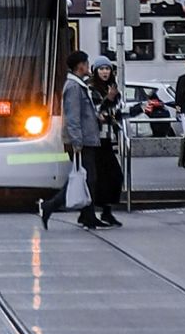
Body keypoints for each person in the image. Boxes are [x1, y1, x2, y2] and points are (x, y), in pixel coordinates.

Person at [38, 51, 102, 230]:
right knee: (85, 178)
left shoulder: (79, 85)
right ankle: (50, 205)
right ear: (80, 66)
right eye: (86, 63)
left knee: (84, 177)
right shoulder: (73, 87)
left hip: (85, 139)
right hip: (81, 141)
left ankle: (87, 215)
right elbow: (73, 116)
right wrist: (77, 141)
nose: (88, 66)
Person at [88, 61, 125, 227]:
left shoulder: (113, 90)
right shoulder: (91, 89)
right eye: (101, 69)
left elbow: (118, 113)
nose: (105, 72)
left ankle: (106, 210)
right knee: (102, 176)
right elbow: (96, 112)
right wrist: (108, 100)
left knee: (114, 176)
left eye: (107, 69)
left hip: (108, 138)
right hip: (96, 138)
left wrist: (141, 108)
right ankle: (98, 211)